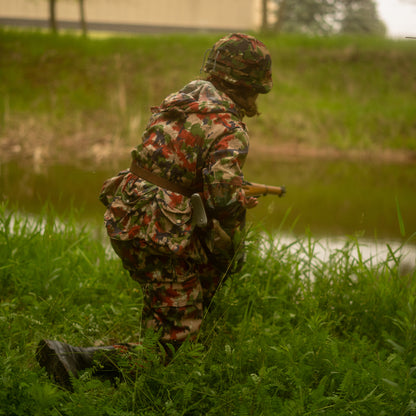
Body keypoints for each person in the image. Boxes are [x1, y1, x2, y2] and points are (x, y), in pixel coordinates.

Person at [36, 32, 273, 390]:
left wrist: (225, 194)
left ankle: (136, 380)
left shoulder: (179, 101)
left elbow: (174, 170)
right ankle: (76, 359)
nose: (256, 100)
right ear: (248, 84)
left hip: (130, 214)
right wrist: (232, 234)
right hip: (160, 231)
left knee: (172, 302)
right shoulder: (229, 126)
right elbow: (223, 200)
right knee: (175, 348)